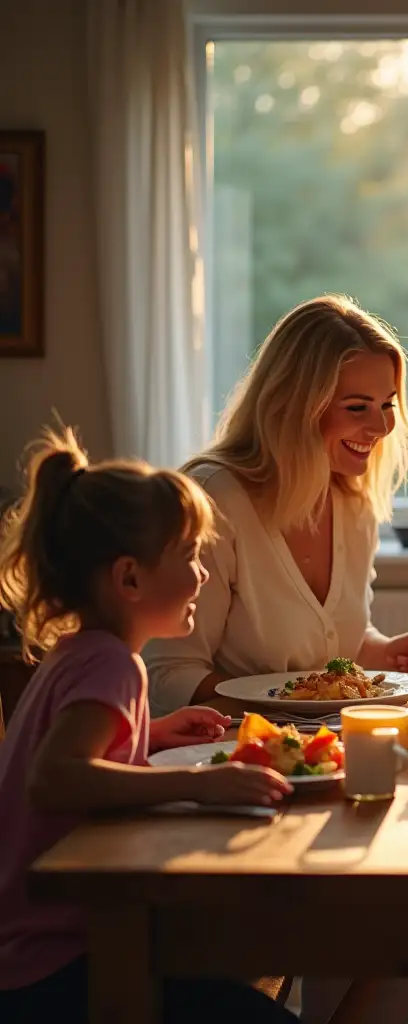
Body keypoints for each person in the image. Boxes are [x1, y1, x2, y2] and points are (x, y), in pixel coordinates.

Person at [0, 428, 296, 1024]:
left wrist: (154, 733)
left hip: (32, 949)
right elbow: (55, 778)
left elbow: (72, 747)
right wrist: (198, 783)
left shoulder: (83, 651)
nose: (203, 575)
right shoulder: (112, 662)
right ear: (130, 578)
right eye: (189, 556)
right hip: (61, 963)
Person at [145, 294, 408, 717]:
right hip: (225, 758)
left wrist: (383, 651)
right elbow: (169, 673)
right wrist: (288, 706)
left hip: (325, 752)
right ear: (295, 406)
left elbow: (327, 647)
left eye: (388, 404)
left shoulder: (353, 502)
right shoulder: (214, 498)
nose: (381, 427)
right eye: (358, 406)